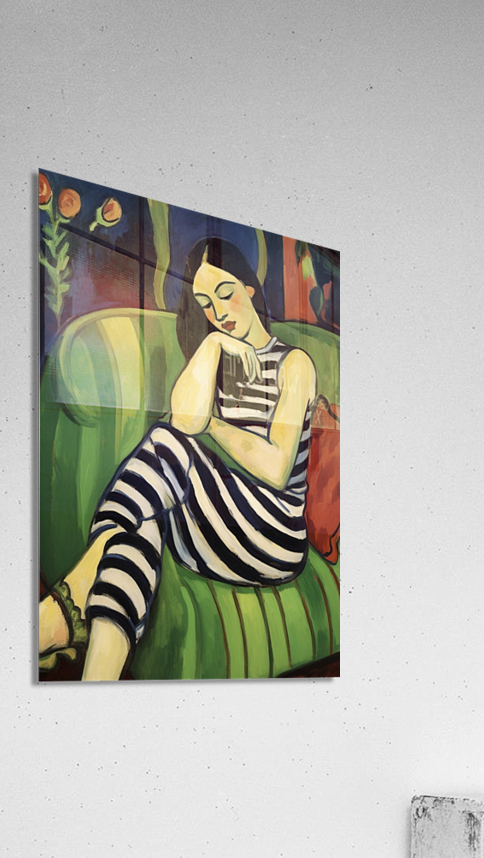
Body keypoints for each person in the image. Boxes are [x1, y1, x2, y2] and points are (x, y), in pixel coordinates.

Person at [38, 237, 318, 680]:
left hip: (275, 533)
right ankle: (97, 680)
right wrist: (213, 346)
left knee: (166, 443)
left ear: (249, 288)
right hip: (221, 522)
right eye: (206, 303)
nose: (218, 311)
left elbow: (277, 468)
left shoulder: (294, 363)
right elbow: (187, 416)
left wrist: (213, 426)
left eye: (225, 293)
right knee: (137, 534)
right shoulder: (219, 354)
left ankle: (63, 608)